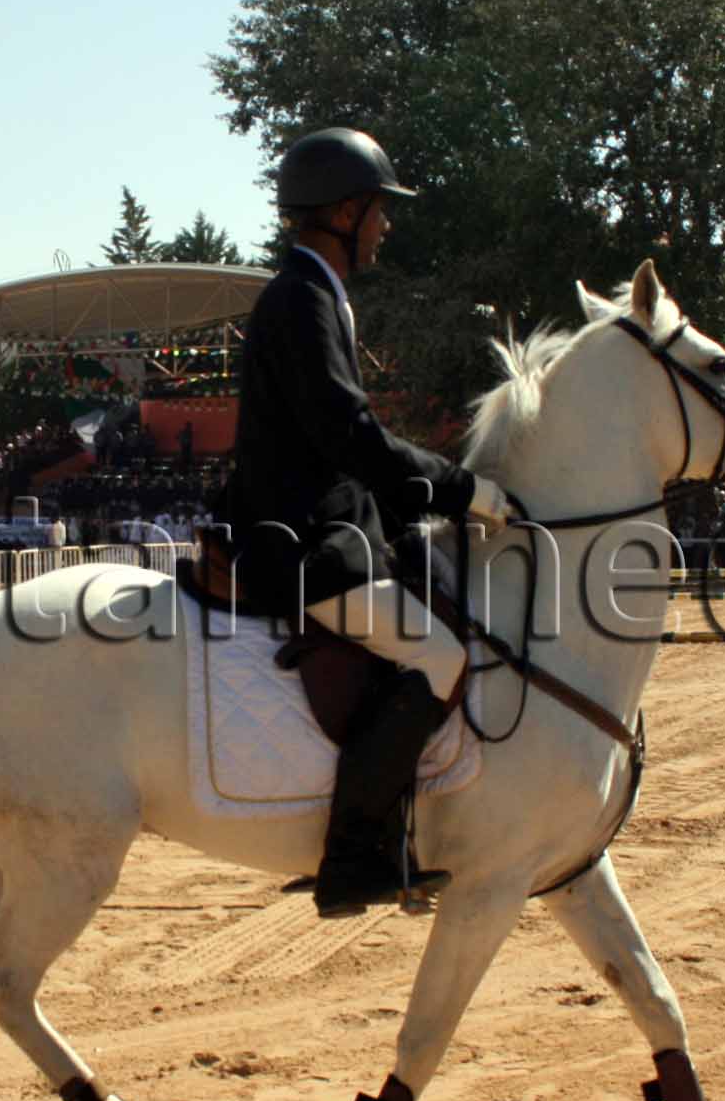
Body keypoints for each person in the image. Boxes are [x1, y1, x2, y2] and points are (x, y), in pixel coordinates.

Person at [220, 127, 514, 917]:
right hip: (302, 546)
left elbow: (345, 451)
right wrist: (461, 489)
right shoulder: (301, 298)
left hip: (329, 529)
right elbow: (349, 435)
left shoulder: (314, 293)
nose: (386, 225)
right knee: (439, 654)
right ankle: (354, 855)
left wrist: (410, 517)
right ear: (345, 212)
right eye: (379, 210)